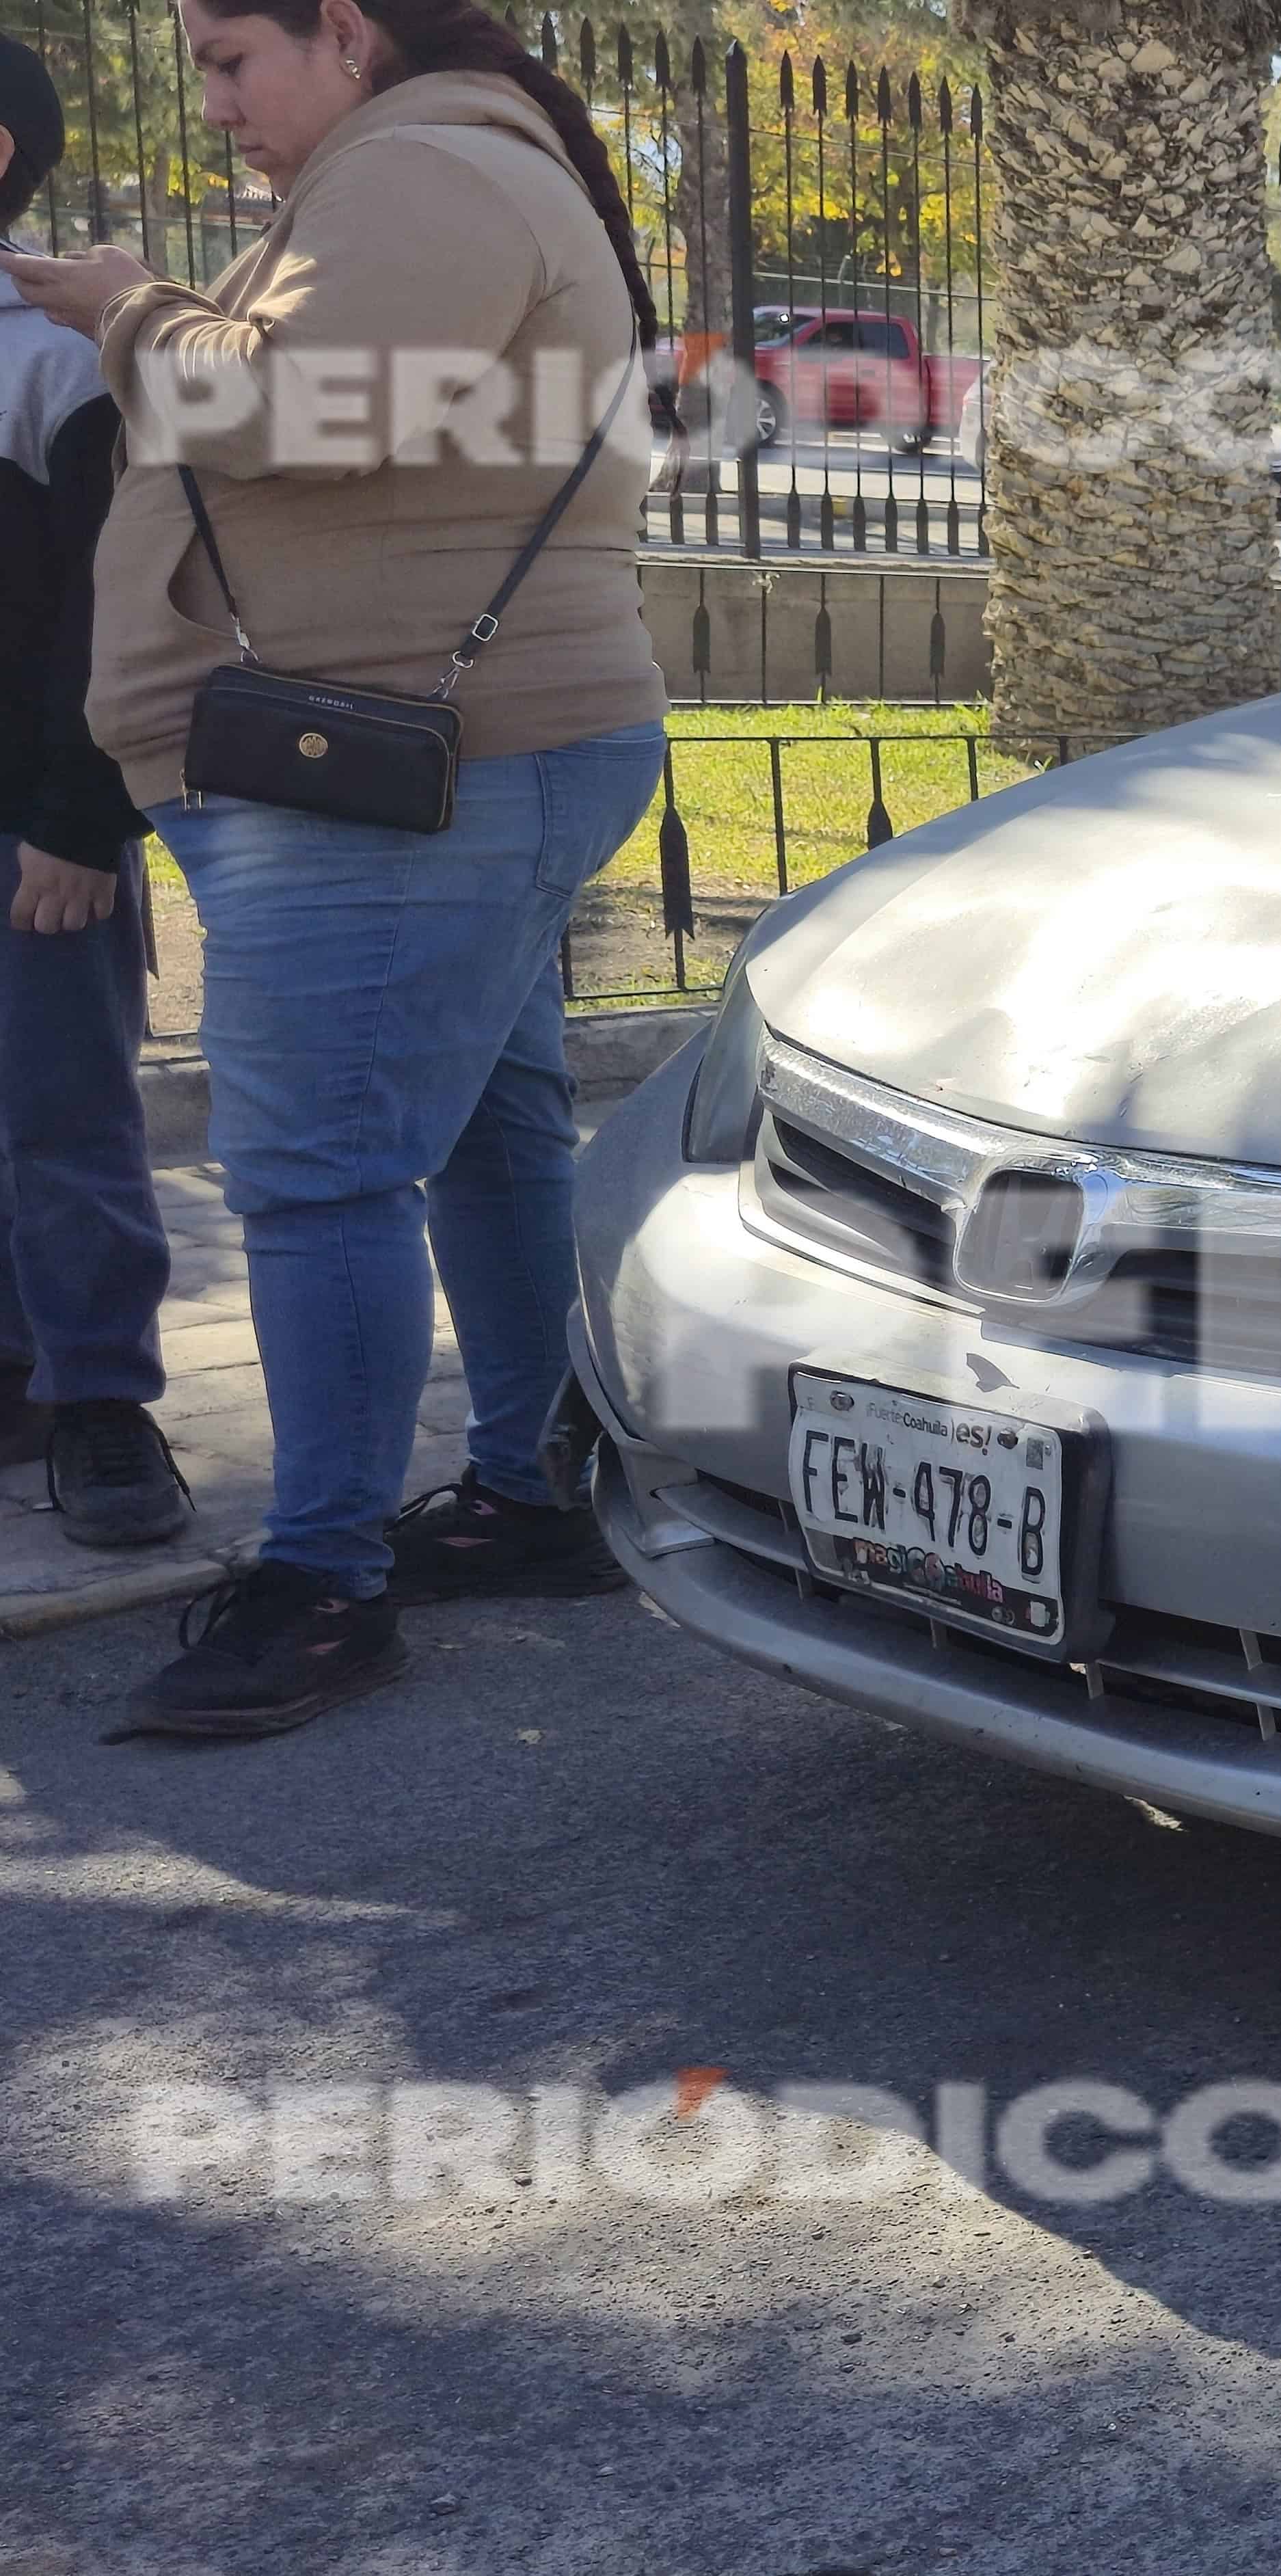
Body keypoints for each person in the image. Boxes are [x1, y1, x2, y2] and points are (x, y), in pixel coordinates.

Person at [2, 0, 666, 1739]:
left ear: (348, 34)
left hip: (385, 777)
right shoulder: (429, 164)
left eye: (234, 61)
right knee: (491, 1129)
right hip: (420, 762)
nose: (215, 101)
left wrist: (127, 303)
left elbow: (299, 412)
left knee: (319, 1178)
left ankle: (325, 1584)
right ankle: (527, 1490)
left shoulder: (426, 172)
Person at [0, 37, 191, 1555]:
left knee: (62, 1112)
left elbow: (110, 614)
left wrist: (79, 820)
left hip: (29, 822)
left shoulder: (55, 354)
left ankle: (104, 1406)